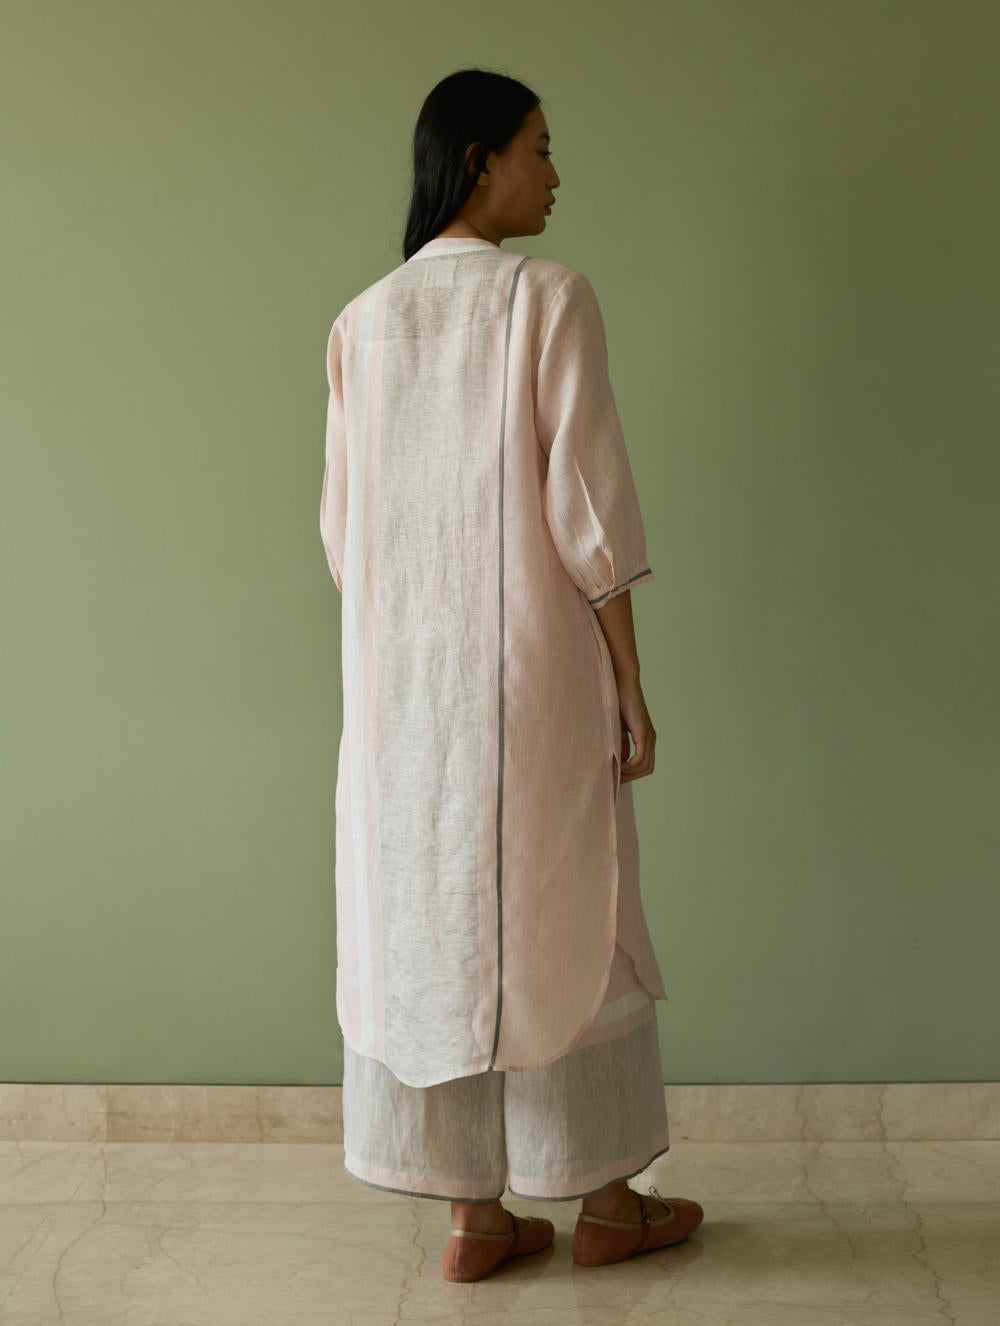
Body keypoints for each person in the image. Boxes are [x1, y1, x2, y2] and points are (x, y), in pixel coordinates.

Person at [319, 68, 704, 1280]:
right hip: (528, 678)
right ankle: (606, 1200)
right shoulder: (547, 298)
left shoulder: (361, 323)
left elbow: (342, 538)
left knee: (429, 911)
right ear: (479, 158)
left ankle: (472, 1217)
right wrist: (629, 683)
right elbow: (588, 509)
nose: (555, 173)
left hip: (401, 694)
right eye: (540, 147)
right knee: (565, 905)